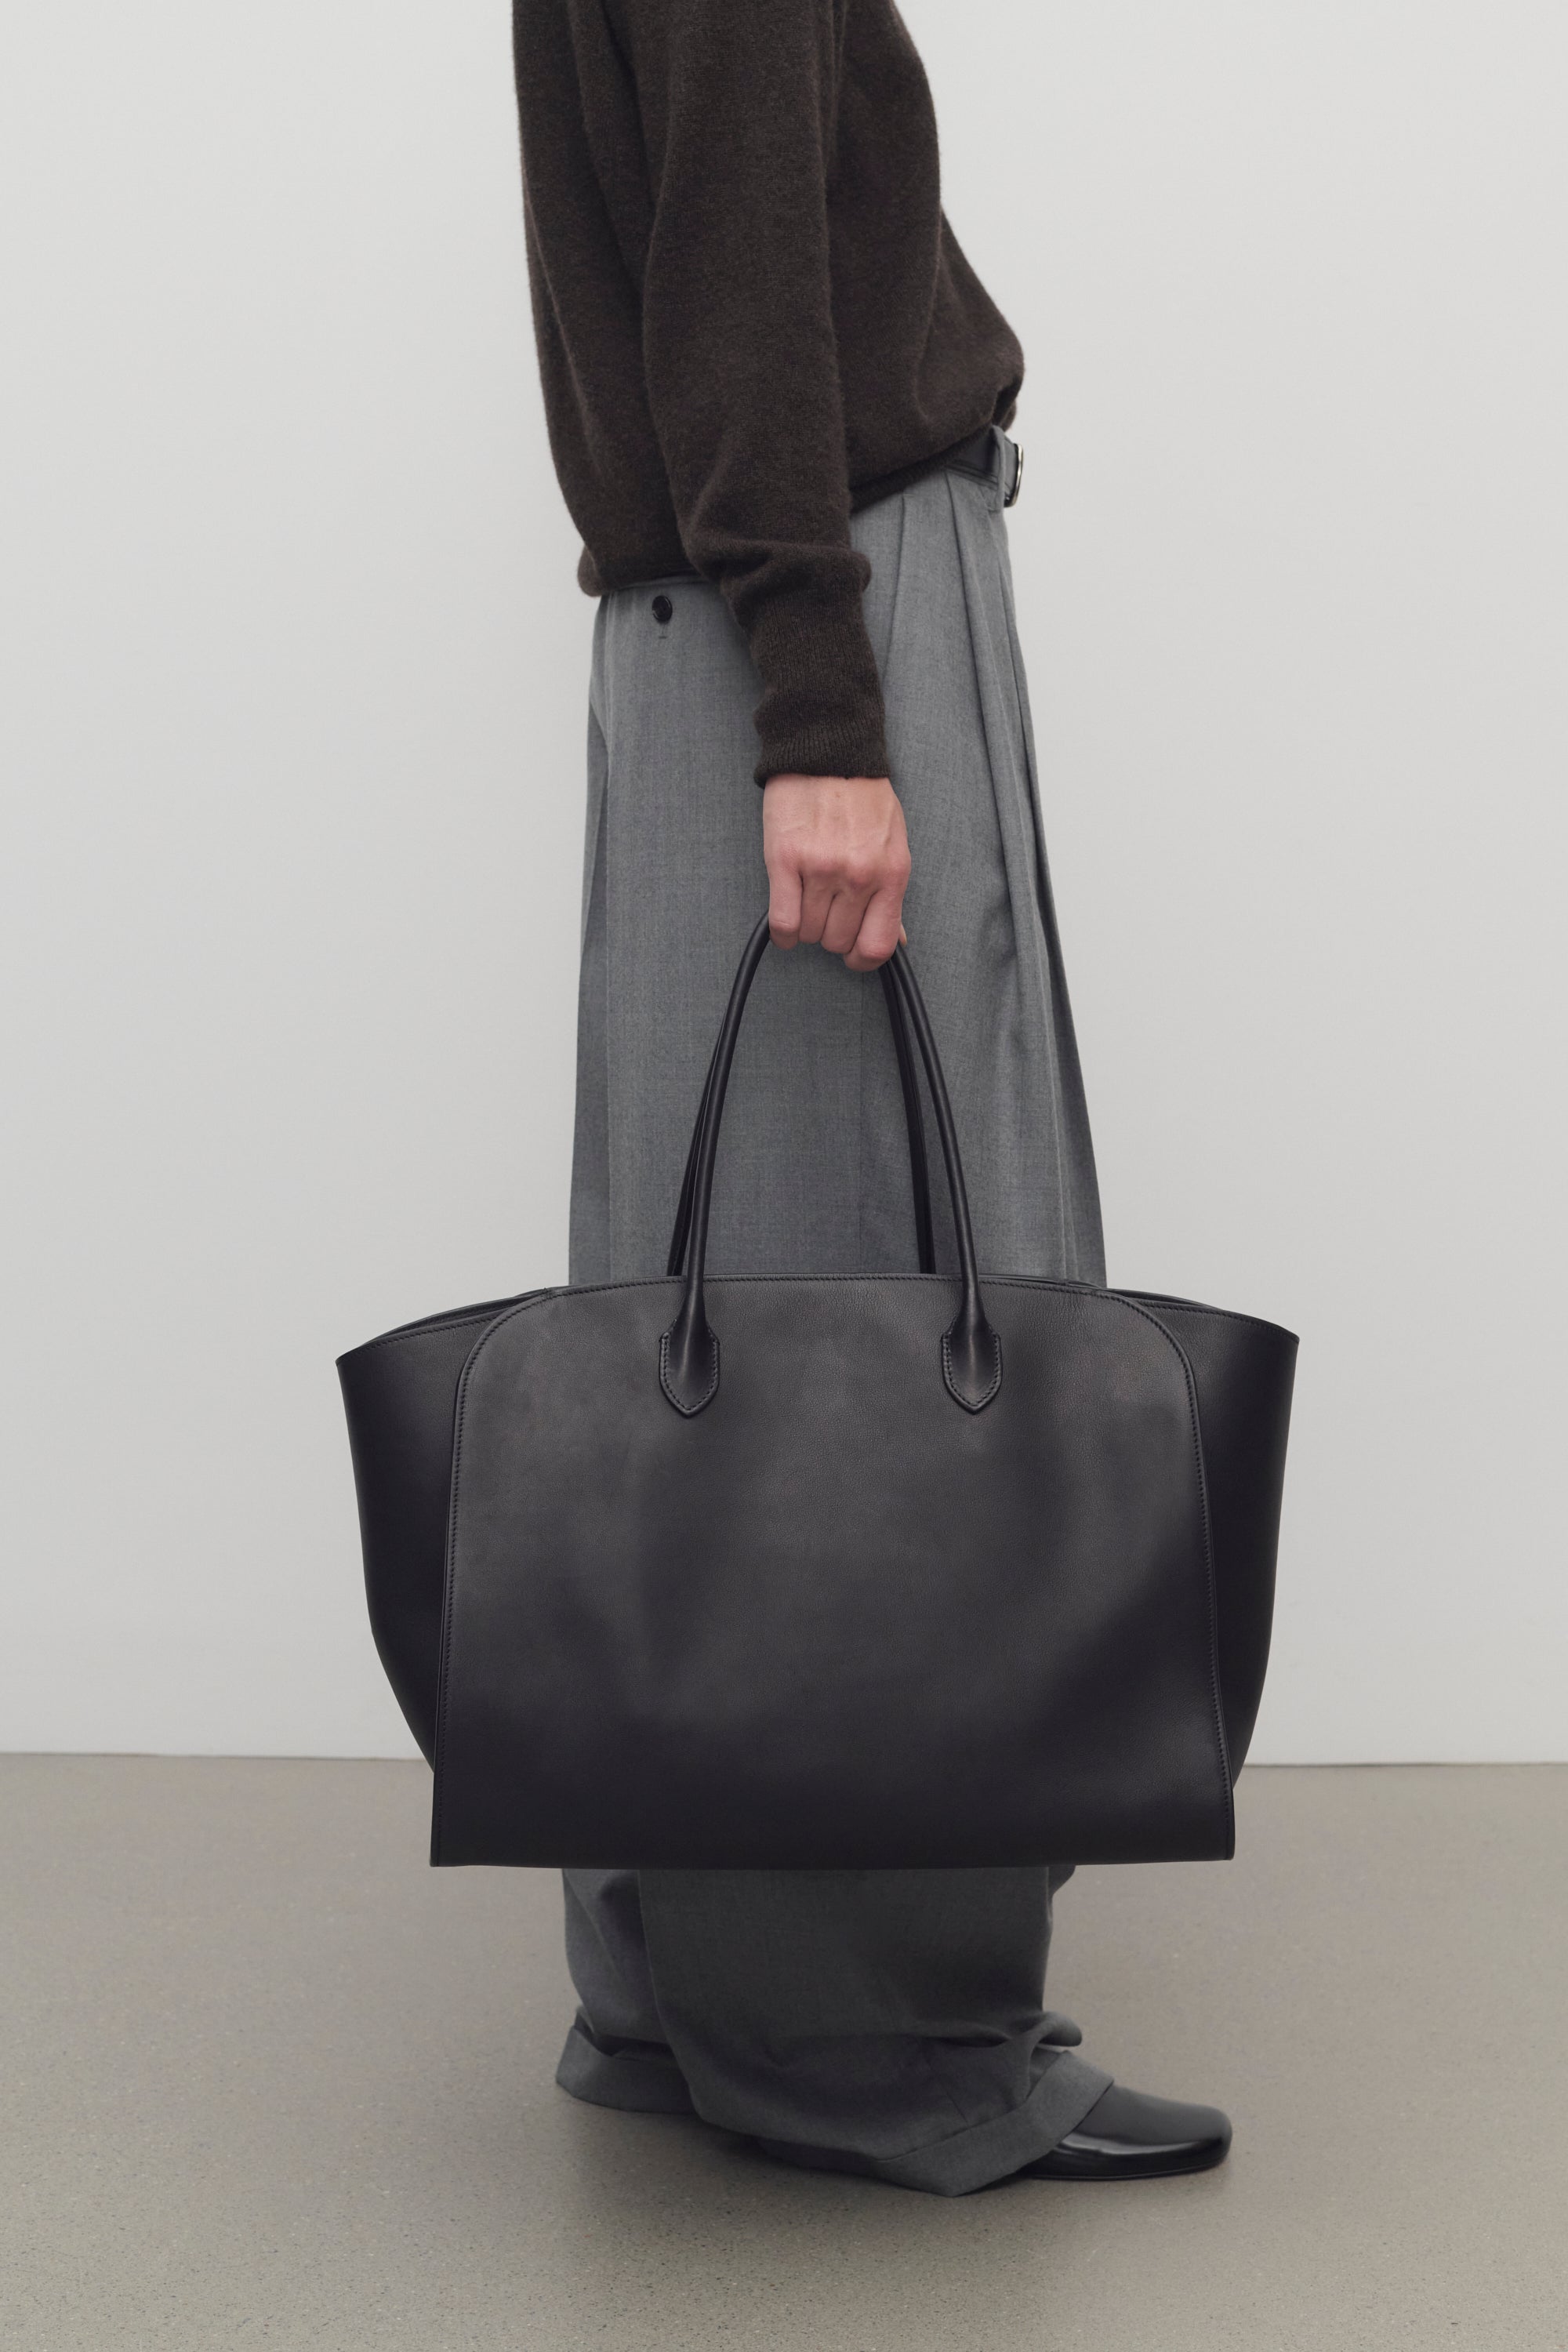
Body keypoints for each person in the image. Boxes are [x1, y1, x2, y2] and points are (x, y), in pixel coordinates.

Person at [510, 0, 1230, 2193]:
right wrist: (825, 712)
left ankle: (674, 1970)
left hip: (714, 621)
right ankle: (875, 2034)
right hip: (814, 607)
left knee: (715, 1304)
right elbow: (741, 260)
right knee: (875, 1302)